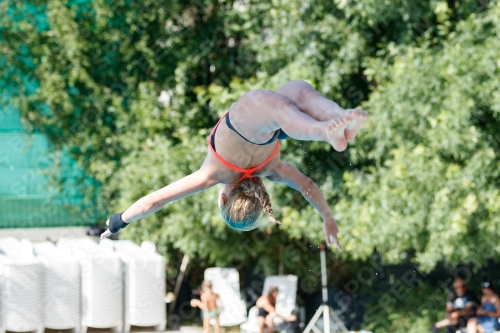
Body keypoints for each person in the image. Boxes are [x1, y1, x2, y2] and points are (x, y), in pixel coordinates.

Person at [100, 80, 369, 248]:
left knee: (302, 99)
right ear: (222, 200)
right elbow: (156, 201)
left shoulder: (272, 169)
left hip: (272, 121)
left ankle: (338, 120)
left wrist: (328, 218)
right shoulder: (213, 174)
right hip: (256, 111)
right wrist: (117, 222)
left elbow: (307, 186)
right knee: (290, 110)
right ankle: (329, 127)